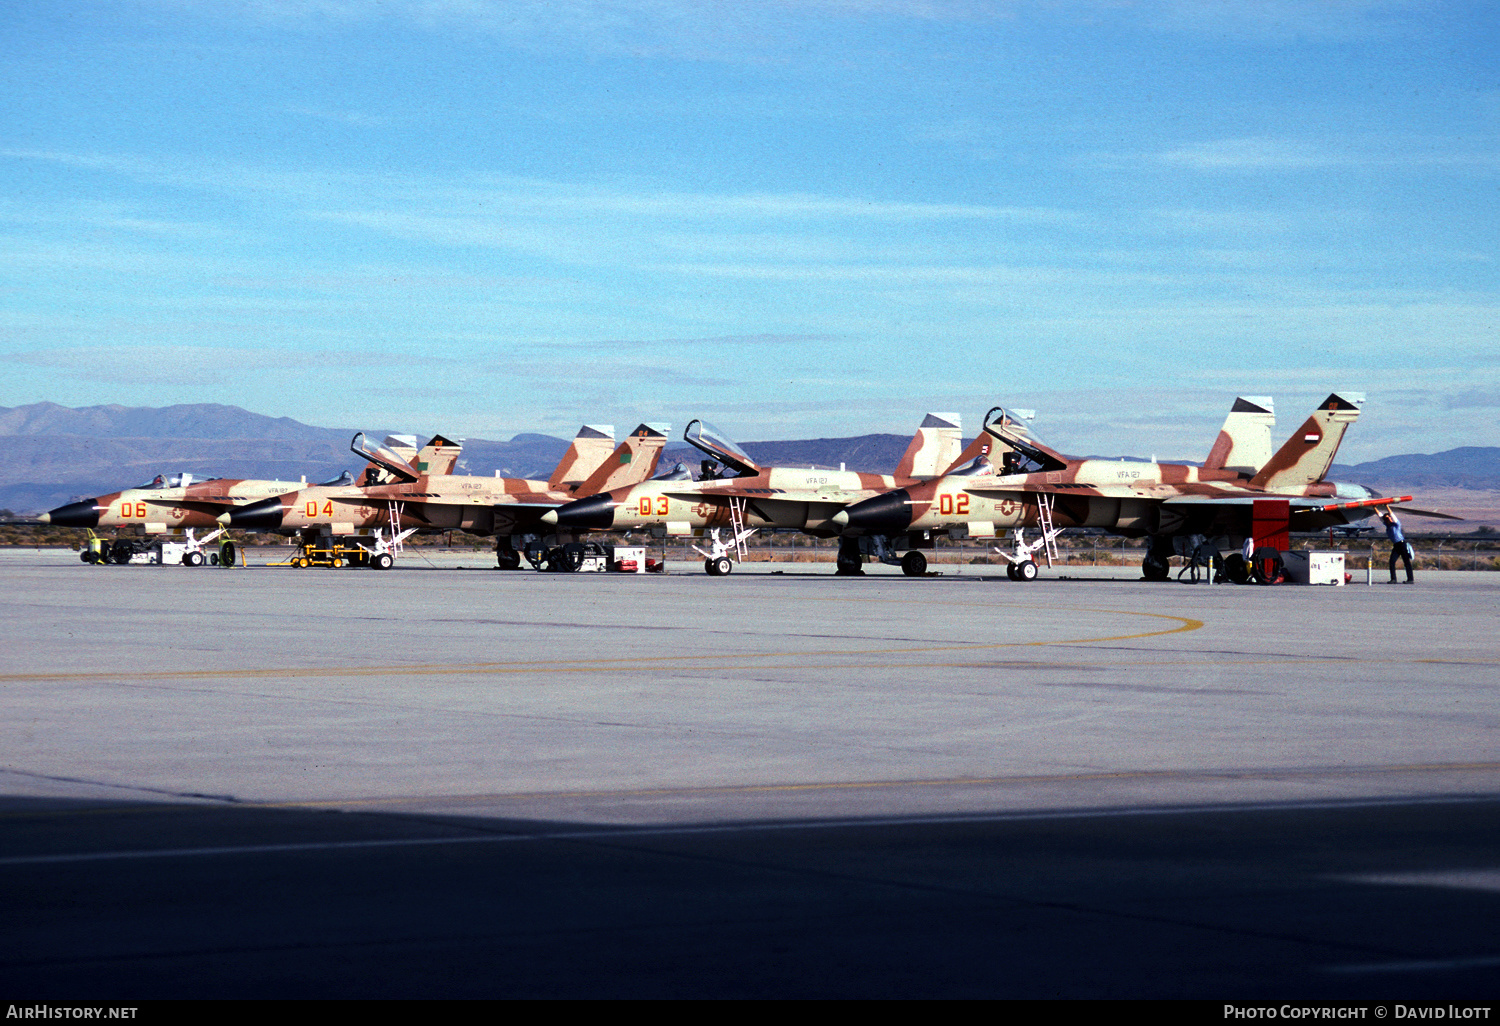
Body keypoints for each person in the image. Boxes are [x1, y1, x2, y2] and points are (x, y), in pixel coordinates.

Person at [1382, 511, 1414, 583]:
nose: (1389, 519)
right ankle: (1393, 579)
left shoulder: (1396, 525)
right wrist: (1375, 508)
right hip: (1396, 546)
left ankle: (1410, 579)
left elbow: (1393, 516)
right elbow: (1380, 517)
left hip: (1402, 544)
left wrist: (1387, 507)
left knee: (1406, 562)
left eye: (1389, 517)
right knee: (1392, 561)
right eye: (1387, 518)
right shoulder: (1388, 526)